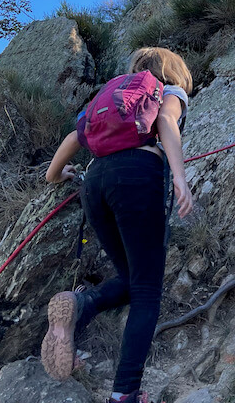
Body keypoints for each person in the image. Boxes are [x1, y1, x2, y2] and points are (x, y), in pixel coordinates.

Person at [41, 47, 194, 403]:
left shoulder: (108, 96)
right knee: (147, 292)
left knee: (130, 279)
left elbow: (73, 139)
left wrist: (54, 175)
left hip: (94, 184)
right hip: (138, 177)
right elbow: (167, 122)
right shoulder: (167, 90)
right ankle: (124, 393)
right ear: (173, 70)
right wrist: (180, 177)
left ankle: (80, 305)